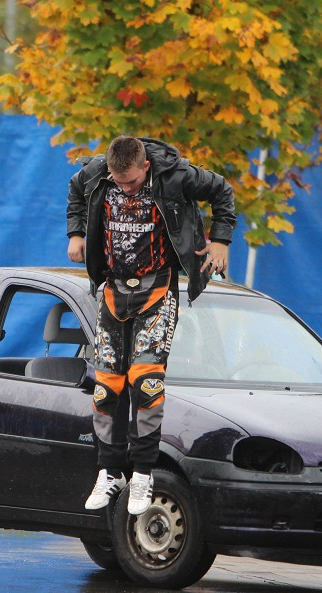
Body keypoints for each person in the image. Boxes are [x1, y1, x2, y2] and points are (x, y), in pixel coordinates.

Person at [67, 136, 236, 515]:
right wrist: (76, 234)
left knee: (145, 381)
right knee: (106, 385)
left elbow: (223, 191)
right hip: (113, 291)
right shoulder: (97, 174)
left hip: (157, 290)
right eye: (117, 181)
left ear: (145, 168)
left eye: (130, 182)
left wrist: (220, 240)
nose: (123, 188)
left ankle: (143, 474)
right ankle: (110, 472)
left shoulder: (177, 176)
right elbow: (76, 191)